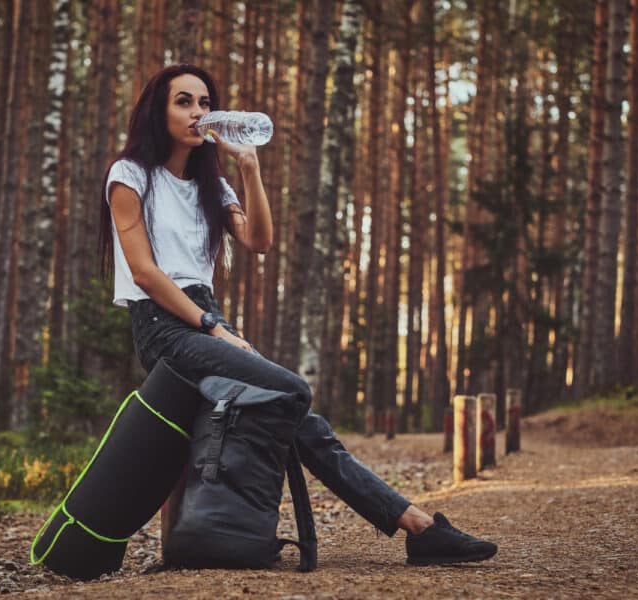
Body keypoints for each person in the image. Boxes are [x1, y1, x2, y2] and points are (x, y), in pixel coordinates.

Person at [97, 63, 497, 566]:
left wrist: (250, 169)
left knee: (304, 421)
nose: (199, 113)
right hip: (165, 327)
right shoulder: (129, 175)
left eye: (204, 102)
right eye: (184, 101)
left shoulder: (211, 186)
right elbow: (146, 274)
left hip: (206, 318)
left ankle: (417, 526)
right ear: (157, 110)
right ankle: (407, 526)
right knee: (291, 390)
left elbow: (259, 241)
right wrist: (213, 328)